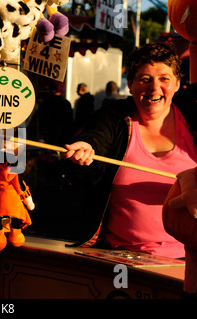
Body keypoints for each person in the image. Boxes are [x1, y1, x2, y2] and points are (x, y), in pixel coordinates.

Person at [62, 42, 197, 259]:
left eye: (164, 79)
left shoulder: (193, 121)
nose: (154, 88)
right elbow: (96, 138)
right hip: (121, 258)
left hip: (188, 259)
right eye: (145, 80)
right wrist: (86, 149)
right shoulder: (114, 117)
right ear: (130, 85)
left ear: (178, 84)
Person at [38, 80, 73, 146]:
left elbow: (42, 119)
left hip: (49, 134)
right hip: (63, 135)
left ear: (53, 90)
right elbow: (69, 121)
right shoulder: (66, 103)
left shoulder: (47, 103)